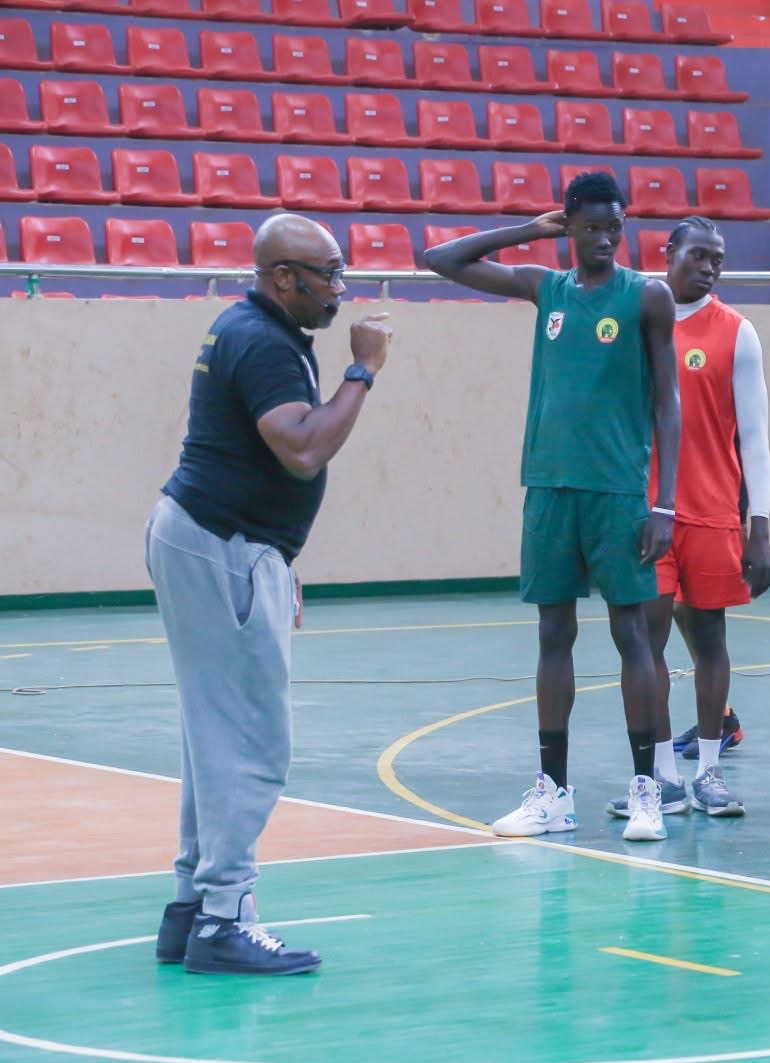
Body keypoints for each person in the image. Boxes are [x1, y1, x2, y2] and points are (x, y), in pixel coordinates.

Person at [148, 213, 393, 975]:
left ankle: (192, 904)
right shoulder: (261, 341)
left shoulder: (256, 331)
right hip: (220, 544)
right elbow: (304, 446)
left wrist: (278, 562)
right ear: (282, 277)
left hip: (220, 542)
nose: (339, 289)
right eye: (327, 274)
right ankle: (226, 916)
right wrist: (363, 371)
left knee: (211, 735)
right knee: (250, 739)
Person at [423, 172, 682, 843]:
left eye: (613, 228)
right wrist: (528, 230)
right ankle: (553, 792)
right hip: (549, 485)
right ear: (570, 226)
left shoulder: (647, 297)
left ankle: (647, 790)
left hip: (620, 492)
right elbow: (440, 260)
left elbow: (666, 404)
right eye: (589, 226)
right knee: (552, 635)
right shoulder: (547, 287)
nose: (603, 239)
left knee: (633, 636)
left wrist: (666, 502)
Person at [604, 216, 770, 820]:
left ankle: (708, 771)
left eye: (717, 259)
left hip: (711, 513)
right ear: (667, 252)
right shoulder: (634, 319)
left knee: (710, 643)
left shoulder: (737, 333)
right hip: (644, 516)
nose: (708, 266)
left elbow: (754, 438)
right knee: (644, 647)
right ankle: (662, 778)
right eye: (698, 255)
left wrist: (761, 527)